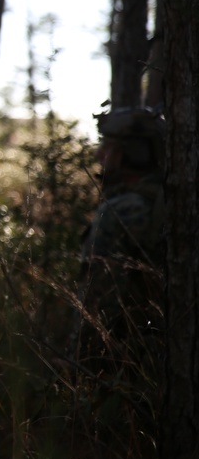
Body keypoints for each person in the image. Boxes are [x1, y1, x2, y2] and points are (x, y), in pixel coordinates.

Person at [70, 106, 165, 421]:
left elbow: (98, 303)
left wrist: (80, 370)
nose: (100, 156)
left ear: (132, 154)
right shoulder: (167, 199)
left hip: (129, 368)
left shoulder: (121, 210)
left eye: (109, 148)